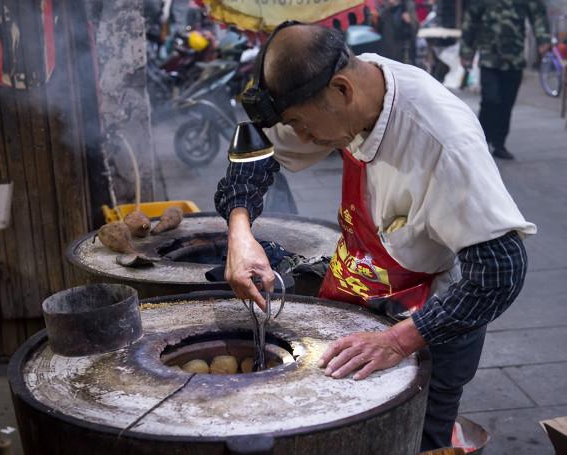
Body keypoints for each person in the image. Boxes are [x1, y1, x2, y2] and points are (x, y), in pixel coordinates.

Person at [214, 23, 535, 451]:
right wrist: (240, 234)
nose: (305, 140)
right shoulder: (355, 89)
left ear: (341, 90)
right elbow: (257, 149)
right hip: (362, 293)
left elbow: (500, 272)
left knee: (414, 440)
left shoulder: (442, 144)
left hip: (433, 326)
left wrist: (398, 341)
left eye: (302, 126)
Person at [460, 0, 551, 160]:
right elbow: (471, 21)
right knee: (490, 100)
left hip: (514, 59)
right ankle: (483, 140)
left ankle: (499, 143)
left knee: (506, 103)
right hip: (490, 58)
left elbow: (537, 14)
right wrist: (466, 51)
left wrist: (543, 39)